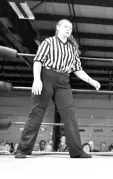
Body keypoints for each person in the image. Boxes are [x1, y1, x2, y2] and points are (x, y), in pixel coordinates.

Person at [14, 19, 101, 159]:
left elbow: (78, 69)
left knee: (69, 114)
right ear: (58, 28)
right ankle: (22, 150)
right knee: (36, 112)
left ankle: (77, 151)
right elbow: (38, 61)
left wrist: (91, 81)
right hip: (46, 75)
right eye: (65, 26)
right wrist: (37, 80)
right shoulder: (48, 42)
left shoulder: (72, 49)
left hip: (64, 81)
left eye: (70, 27)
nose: (68, 29)